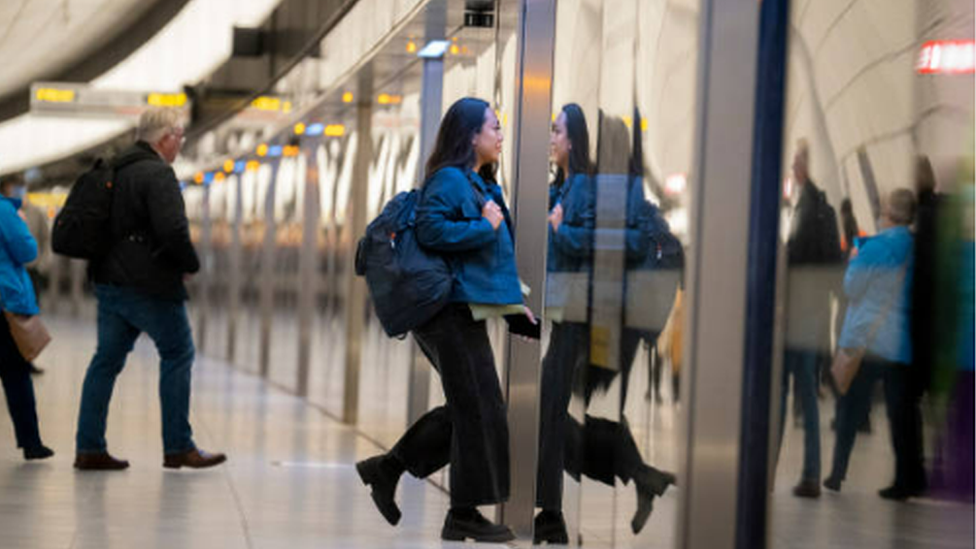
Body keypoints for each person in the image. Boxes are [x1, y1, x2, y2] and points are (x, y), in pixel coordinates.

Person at [356, 98, 531, 543]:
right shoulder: (451, 180)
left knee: (471, 406)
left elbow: (485, 265)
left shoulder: (476, 183)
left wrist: (514, 306)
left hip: (457, 310)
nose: (500, 134)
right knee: (479, 407)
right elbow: (434, 231)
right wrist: (485, 227)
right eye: (494, 126)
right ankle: (462, 513)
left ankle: (389, 468)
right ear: (471, 134)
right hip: (444, 313)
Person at [73, 107, 226, 471]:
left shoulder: (113, 168)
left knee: (105, 361)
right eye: (180, 136)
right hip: (150, 286)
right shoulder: (158, 174)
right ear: (165, 138)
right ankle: (178, 446)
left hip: (109, 282)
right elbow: (172, 230)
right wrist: (189, 264)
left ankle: (89, 447)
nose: (181, 143)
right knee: (178, 353)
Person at [824, 189, 924, 500]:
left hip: (866, 340)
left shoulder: (875, 247)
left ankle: (837, 473)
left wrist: (855, 261)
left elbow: (851, 288)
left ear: (888, 213)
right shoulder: (917, 248)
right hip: (900, 343)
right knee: (898, 413)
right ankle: (903, 479)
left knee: (850, 408)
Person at [778, 139, 841, 498]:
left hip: (794, 318)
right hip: (813, 316)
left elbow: (794, 263)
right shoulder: (825, 210)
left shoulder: (805, 211)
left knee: (780, 393)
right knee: (805, 395)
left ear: (799, 168)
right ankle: (812, 473)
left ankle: (767, 468)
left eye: (793, 165)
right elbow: (832, 266)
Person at [0, 177, 53, 461]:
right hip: (4, 301)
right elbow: (28, 252)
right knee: (16, 372)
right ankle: (31, 442)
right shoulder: (4, 211)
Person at [0, 174, 49, 375]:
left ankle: (27, 358)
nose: (19, 190)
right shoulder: (8, 211)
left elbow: (46, 240)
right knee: (18, 322)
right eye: (15, 186)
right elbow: (26, 249)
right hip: (13, 279)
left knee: (28, 319)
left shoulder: (35, 212)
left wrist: (42, 266)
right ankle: (20, 360)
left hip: (31, 271)